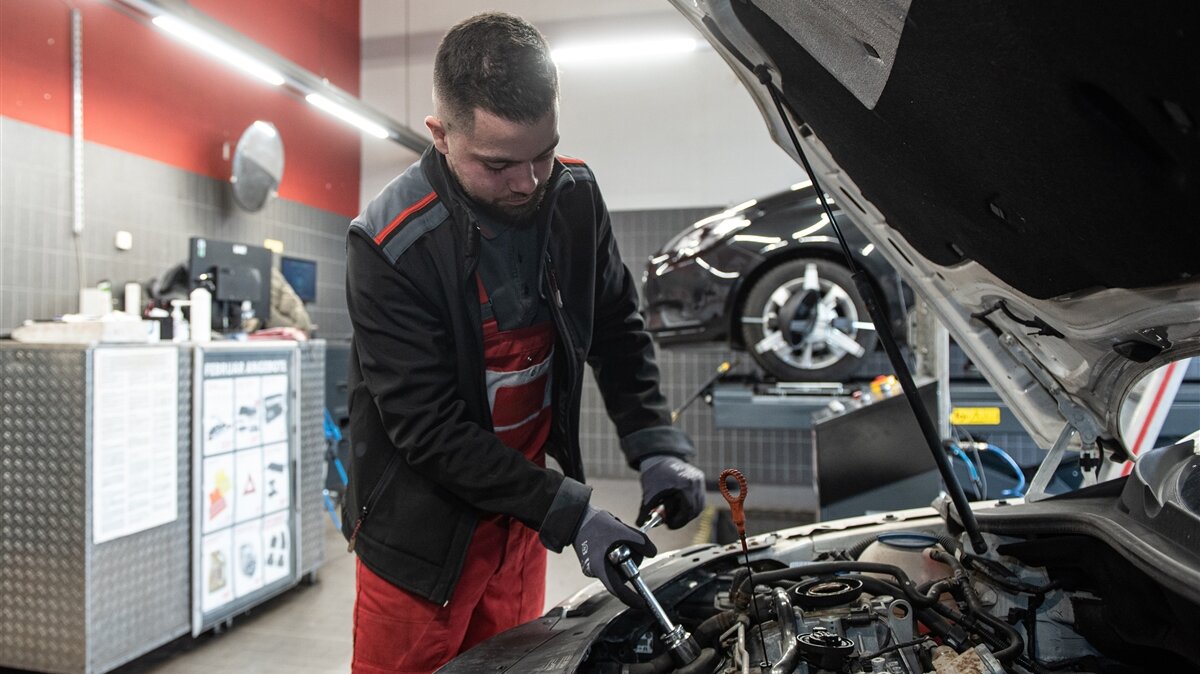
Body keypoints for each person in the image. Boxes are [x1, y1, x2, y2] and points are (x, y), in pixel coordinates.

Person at [343, 12, 705, 674]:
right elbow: (426, 427)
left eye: (543, 153)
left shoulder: (573, 198)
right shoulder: (390, 245)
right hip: (421, 542)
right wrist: (569, 509)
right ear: (441, 135)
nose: (529, 181)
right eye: (499, 163)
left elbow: (618, 326)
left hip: (519, 518)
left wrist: (655, 441)